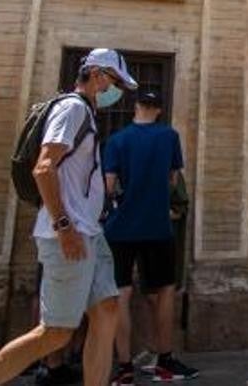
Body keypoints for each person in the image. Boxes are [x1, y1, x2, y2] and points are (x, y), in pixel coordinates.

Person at [0, 49, 137, 386]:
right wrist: (63, 226)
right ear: (98, 74)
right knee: (55, 333)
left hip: (90, 233)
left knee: (107, 310)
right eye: (114, 82)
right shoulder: (72, 108)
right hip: (70, 234)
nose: (114, 92)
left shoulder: (83, 112)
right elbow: (44, 168)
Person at [103, 91, 198, 385]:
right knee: (164, 290)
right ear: (158, 110)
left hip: (119, 228)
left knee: (120, 294)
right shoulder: (169, 136)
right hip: (156, 225)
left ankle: (124, 366)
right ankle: (165, 360)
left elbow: (107, 186)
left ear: (136, 107)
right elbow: (172, 179)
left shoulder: (117, 140)